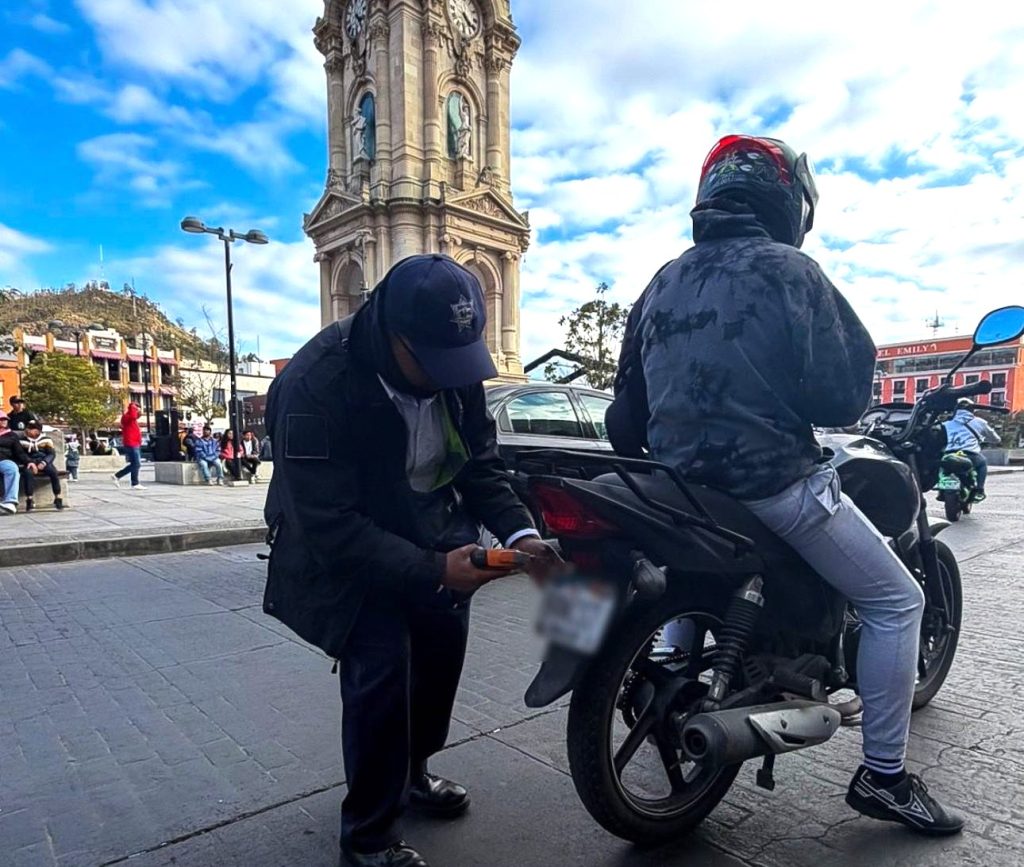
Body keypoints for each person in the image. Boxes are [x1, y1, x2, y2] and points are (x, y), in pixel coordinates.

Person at [616, 134, 963, 835]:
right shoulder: (791, 272)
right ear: (788, 202)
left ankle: (674, 662)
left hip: (681, 490)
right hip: (770, 481)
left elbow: (626, 414)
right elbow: (841, 399)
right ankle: (885, 776)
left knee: (691, 573)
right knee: (900, 598)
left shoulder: (662, 281)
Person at [263, 254, 560, 867]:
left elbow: (481, 466)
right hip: (346, 546)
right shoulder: (314, 385)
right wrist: (433, 570)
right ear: (391, 334)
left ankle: (415, 774)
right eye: (430, 362)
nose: (447, 378)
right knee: (382, 670)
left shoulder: (454, 369)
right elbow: (327, 525)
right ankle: (368, 838)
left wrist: (521, 534)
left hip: (430, 527)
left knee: (440, 657)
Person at [943, 399, 1000, 500]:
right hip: (970, 455)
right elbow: (995, 439)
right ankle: (980, 489)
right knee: (982, 463)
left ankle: (941, 490)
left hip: (948, 454)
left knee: (943, 467)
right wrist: (991, 440)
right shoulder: (979, 422)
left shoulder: (946, 424)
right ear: (972, 410)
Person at [21, 420, 65, 511]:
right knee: (27, 473)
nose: (27, 430)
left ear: (38, 431)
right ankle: (29, 499)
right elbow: (22, 454)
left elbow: (51, 454)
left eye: (30, 429)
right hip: (30, 462)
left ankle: (58, 497)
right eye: (28, 428)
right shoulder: (23, 441)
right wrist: (29, 462)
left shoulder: (46, 440)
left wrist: (44, 462)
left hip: (44, 461)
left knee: (53, 472)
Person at [112, 402, 145, 490]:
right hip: (131, 443)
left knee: (135, 464)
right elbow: (134, 416)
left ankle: (117, 476)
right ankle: (134, 483)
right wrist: (133, 407)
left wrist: (138, 411)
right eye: (137, 409)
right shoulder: (127, 417)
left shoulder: (131, 419)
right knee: (136, 463)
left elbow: (136, 416)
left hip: (134, 443)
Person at [0, 409, 26, 514]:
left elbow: (19, 452)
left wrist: (29, 462)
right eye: (1, 419)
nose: (4, 421)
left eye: (5, 419)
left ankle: (10, 502)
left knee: (12, 469)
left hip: (4, 460)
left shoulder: (11, 435)